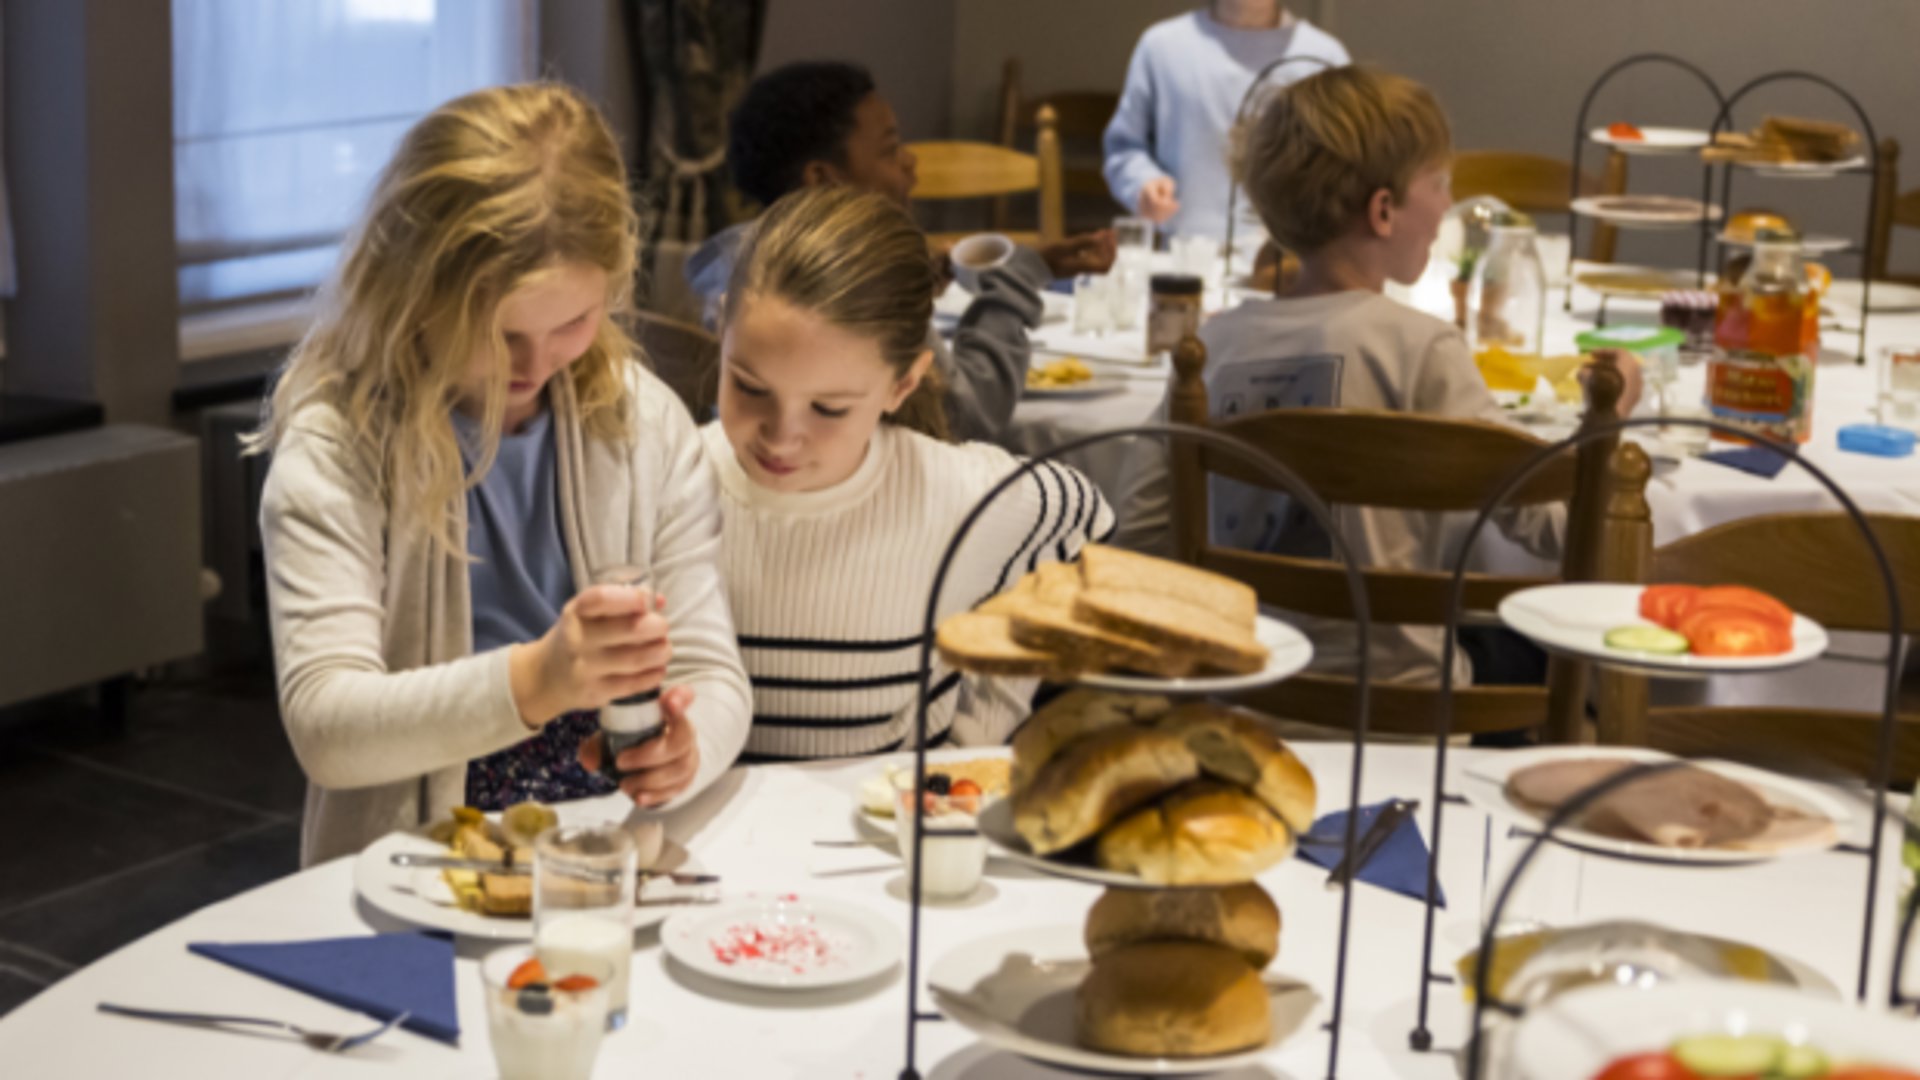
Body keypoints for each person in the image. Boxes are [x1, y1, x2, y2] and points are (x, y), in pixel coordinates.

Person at [253, 84, 752, 866]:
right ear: (410, 291)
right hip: (410, 865)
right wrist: (537, 680)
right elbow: (327, 729)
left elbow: (710, 672)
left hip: (611, 853)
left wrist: (689, 748)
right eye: (497, 331)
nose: (534, 364)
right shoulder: (339, 444)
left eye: (572, 324)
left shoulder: (645, 425)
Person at [1111, 66, 1639, 687]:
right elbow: (1558, 526)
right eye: (1439, 184)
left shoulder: (1211, 351)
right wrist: (1610, 421)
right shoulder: (1420, 349)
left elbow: (1138, 531)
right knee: (1580, 657)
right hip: (1403, 712)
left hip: (1246, 699)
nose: (1447, 206)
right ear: (1383, 211)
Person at [695, 185, 1113, 760]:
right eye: (749, 386)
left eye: (829, 408)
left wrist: (980, 728)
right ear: (722, 333)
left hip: (889, 841)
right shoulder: (669, 480)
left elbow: (1081, 524)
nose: (781, 434)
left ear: (903, 385)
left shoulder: (957, 493)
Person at [685, 61, 1115, 442]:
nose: (910, 162)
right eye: (890, 149)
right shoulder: (859, 278)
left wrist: (923, 275)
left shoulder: (742, 258)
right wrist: (1017, 280)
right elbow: (967, 419)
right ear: (823, 179)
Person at [1103, 0, 1349, 241]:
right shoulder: (1162, 46)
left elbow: (1345, 166)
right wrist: (1143, 182)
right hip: (1186, 252)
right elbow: (1124, 147)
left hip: (1287, 257)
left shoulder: (1323, 55)